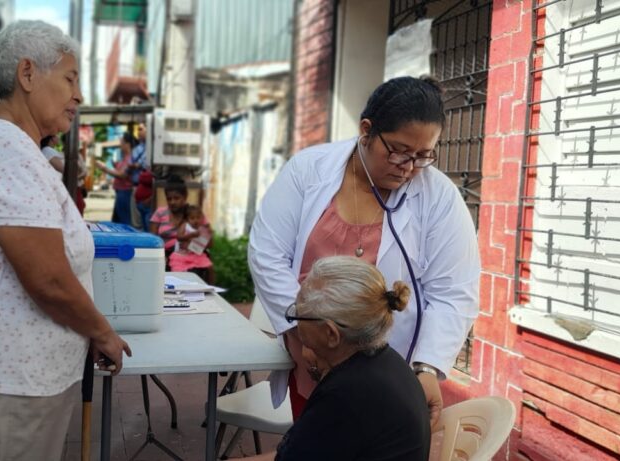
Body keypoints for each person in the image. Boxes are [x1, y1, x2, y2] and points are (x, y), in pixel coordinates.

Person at [0, 20, 131, 461]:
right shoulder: (4, 150)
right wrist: (101, 330)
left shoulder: (9, 146)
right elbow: (48, 279)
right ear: (28, 75)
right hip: (8, 385)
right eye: (70, 79)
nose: (79, 95)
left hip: (11, 381)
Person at [248, 76, 480, 427]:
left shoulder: (439, 197)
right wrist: (303, 333)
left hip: (388, 373)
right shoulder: (308, 170)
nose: (408, 166)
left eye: (423, 155)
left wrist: (428, 366)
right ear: (366, 130)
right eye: (399, 150)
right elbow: (266, 254)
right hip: (311, 357)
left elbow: (453, 291)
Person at [239, 256, 429, 461]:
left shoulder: (345, 394)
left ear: (331, 334)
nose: (293, 320)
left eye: (298, 314)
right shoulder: (384, 363)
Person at [149, 175, 195, 259]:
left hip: (188, 256)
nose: (172, 202)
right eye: (169, 199)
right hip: (163, 257)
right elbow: (152, 241)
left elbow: (206, 240)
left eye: (176, 198)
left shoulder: (193, 214)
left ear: (185, 197)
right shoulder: (160, 213)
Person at [97, 131, 137, 225]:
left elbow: (122, 175)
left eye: (122, 142)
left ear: (127, 144)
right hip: (120, 192)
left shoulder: (130, 157)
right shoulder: (125, 157)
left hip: (125, 192)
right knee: (118, 220)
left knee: (124, 220)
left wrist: (104, 168)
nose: (120, 145)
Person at [168, 204, 214, 281]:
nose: (195, 220)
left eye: (198, 218)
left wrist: (210, 236)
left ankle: (210, 287)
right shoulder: (185, 226)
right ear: (187, 219)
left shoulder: (202, 229)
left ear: (202, 219)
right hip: (182, 255)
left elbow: (210, 246)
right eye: (192, 218)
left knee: (210, 267)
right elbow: (179, 237)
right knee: (177, 270)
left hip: (196, 255)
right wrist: (191, 235)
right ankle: (177, 284)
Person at [130, 123, 149, 229]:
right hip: (136, 187)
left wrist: (136, 165)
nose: (139, 132)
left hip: (147, 191)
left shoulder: (151, 148)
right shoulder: (137, 148)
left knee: (144, 224)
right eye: (138, 129)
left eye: (141, 129)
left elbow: (139, 165)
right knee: (136, 223)